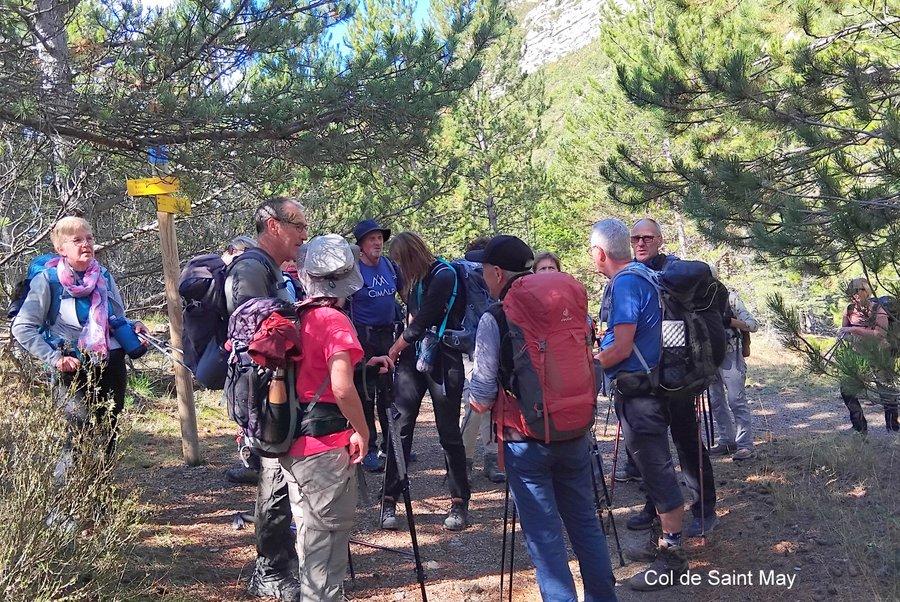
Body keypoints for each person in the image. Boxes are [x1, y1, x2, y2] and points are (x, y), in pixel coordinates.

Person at [468, 235, 617, 602]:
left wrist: (477, 400)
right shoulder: (570, 306)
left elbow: (483, 395)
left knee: (545, 538)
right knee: (585, 524)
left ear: (498, 272)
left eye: (485, 272)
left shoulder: (496, 316)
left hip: (525, 440)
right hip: (575, 431)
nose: (484, 279)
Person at [281, 233, 388, 601]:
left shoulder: (297, 315)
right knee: (327, 538)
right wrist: (363, 430)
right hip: (326, 446)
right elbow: (341, 388)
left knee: (309, 532)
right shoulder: (334, 321)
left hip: (294, 441)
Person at [12, 216, 148, 483]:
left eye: (89, 239)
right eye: (77, 240)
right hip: (72, 367)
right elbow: (22, 327)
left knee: (109, 428)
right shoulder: (47, 281)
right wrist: (54, 358)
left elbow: (116, 316)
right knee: (79, 432)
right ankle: (69, 501)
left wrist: (135, 326)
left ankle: (99, 494)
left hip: (111, 360)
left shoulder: (103, 275)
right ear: (62, 248)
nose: (86, 245)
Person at [592, 218, 688, 590]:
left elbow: (619, 347)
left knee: (658, 470)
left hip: (642, 395)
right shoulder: (637, 275)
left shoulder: (628, 282)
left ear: (600, 253)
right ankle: (662, 542)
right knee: (651, 470)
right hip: (644, 389)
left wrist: (587, 361)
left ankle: (672, 555)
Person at [225, 196, 309, 600]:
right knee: (274, 475)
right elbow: (255, 332)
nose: (303, 234)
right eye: (297, 225)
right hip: (262, 390)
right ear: (273, 226)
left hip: (277, 386)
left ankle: (279, 561)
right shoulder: (250, 269)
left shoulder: (269, 268)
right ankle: (270, 570)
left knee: (278, 473)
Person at [620, 217, 717, 540]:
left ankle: (704, 508)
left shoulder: (674, 274)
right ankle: (657, 507)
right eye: (635, 239)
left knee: (687, 442)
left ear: (660, 240)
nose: (641, 244)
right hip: (647, 377)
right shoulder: (630, 277)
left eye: (647, 237)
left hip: (676, 377)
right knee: (651, 450)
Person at [382, 232, 471, 531]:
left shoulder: (443, 275)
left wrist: (394, 348)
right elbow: (412, 318)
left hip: (443, 356)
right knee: (401, 425)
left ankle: (459, 502)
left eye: (400, 262)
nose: (399, 269)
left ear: (411, 257)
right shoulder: (414, 279)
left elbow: (424, 319)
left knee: (448, 431)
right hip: (414, 356)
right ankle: (389, 498)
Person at [348, 219, 401, 473]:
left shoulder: (390, 266)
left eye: (379, 238)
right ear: (361, 245)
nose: (377, 242)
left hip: (387, 335)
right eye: (372, 239)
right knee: (367, 394)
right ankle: (368, 448)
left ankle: (391, 446)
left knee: (388, 393)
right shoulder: (354, 270)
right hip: (363, 338)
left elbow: (404, 294)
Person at [459, 236, 505, 484]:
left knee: (492, 404)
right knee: (474, 405)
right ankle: (463, 460)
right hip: (470, 347)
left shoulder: (497, 279)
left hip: (491, 346)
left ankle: (491, 459)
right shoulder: (465, 275)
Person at [838, 278, 899, 433]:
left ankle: (893, 426)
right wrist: (845, 334)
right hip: (857, 355)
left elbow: (879, 334)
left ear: (866, 291)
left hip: (879, 355)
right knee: (846, 389)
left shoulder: (878, 309)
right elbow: (843, 330)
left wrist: (854, 331)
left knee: (886, 391)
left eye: (857, 291)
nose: (854, 295)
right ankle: (859, 427)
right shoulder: (849, 309)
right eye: (851, 292)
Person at [708, 288, 759, 459]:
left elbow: (752, 325)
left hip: (731, 352)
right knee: (715, 400)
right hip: (708, 356)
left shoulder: (730, 297)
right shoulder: (696, 296)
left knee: (736, 400)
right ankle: (726, 441)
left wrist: (730, 322)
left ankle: (744, 445)